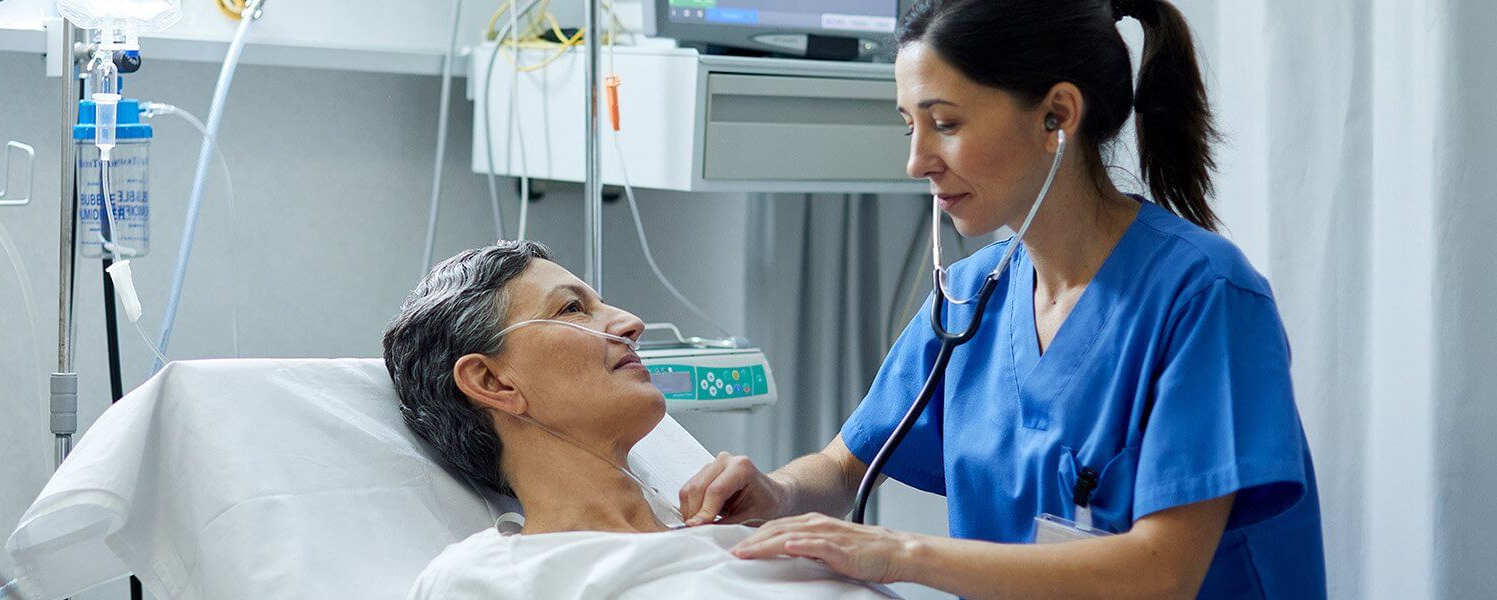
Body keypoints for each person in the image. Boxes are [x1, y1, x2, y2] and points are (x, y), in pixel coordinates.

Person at [677, 0, 1325, 597]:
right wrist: (775, 489)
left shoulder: (1205, 297)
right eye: (909, 126)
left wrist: (896, 551)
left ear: (1057, 116)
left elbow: (1163, 572)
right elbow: (844, 466)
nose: (916, 160)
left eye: (944, 123)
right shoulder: (968, 297)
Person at [385, 241, 895, 598]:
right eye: (572, 309)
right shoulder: (492, 579)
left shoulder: (762, 540)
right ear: (493, 383)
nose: (632, 323)